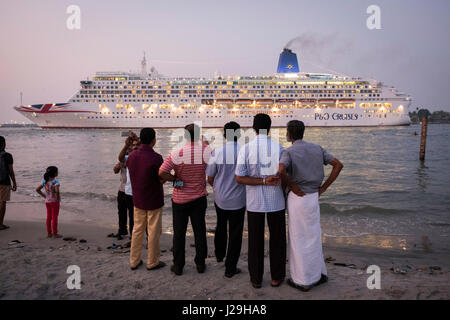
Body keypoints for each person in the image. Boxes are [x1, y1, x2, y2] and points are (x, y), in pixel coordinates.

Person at [277, 120, 343, 292]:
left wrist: (291, 186)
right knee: (313, 236)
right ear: (303, 132)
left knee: (298, 238)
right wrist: (324, 188)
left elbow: (280, 170)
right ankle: (318, 274)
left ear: (289, 134)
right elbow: (338, 165)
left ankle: (302, 280)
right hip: (313, 196)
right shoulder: (317, 148)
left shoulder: (288, 151)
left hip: (297, 199)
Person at [235, 114, 286, 288]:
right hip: (276, 201)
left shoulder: (246, 149)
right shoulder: (279, 148)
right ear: (270, 128)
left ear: (253, 128)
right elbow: (284, 176)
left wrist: (261, 181)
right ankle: (276, 277)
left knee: (255, 241)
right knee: (277, 239)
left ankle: (256, 279)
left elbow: (239, 178)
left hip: (254, 202)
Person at [159, 123, 211, 276]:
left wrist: (176, 181)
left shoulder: (177, 153)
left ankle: (178, 266)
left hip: (180, 200)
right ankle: (200, 264)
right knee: (200, 232)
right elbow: (213, 167)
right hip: (199, 198)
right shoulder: (206, 152)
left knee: (179, 233)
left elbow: (162, 172)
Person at [206, 121, 246, 278]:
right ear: (239, 134)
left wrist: (217, 188)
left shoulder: (217, 152)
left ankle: (219, 254)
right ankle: (230, 267)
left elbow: (210, 177)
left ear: (224, 135)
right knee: (236, 233)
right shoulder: (244, 152)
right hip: (238, 200)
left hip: (220, 198)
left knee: (220, 226)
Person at [126, 128, 166, 271]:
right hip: (154, 199)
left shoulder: (131, 156)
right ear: (153, 140)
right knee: (153, 231)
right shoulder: (156, 158)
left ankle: (134, 261)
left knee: (137, 230)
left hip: (138, 199)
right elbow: (160, 178)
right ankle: (152, 261)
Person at [116, 133, 139, 240]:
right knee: (121, 211)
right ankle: (122, 230)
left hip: (131, 191)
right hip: (122, 189)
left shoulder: (138, 158)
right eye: (131, 147)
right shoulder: (125, 158)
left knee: (132, 214)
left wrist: (136, 140)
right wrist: (126, 146)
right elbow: (117, 165)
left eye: (135, 146)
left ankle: (132, 234)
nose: (133, 148)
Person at [36, 166, 62, 238]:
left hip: (47, 202)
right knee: (55, 217)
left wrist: (45, 196)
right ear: (55, 173)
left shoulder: (45, 181)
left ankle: (49, 233)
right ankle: (55, 234)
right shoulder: (55, 182)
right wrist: (57, 197)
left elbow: (37, 189)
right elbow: (57, 191)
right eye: (57, 171)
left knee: (49, 217)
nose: (58, 173)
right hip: (55, 202)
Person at [0, 136, 17, 231]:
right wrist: (14, 183)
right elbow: (11, 171)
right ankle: (0, 224)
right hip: (4, 182)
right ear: (4, 144)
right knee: (2, 202)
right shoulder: (7, 156)